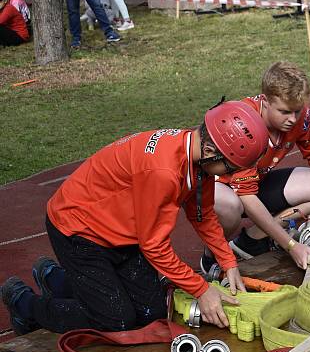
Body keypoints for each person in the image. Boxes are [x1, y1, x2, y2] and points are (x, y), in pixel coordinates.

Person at [0, 101, 269, 335]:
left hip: (121, 232)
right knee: (117, 320)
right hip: (79, 230)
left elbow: (203, 213)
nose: (228, 175)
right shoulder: (163, 171)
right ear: (212, 151)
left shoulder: (197, 156)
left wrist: (227, 261)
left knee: (151, 312)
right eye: (230, 168)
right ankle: (25, 304)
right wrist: (202, 290)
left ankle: (57, 280)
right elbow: (154, 245)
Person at [201, 62, 310, 273]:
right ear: (265, 101)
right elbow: (246, 196)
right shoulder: (244, 122)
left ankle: (252, 240)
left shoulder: (301, 118)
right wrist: (291, 245)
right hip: (220, 188)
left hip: (256, 182)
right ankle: (212, 253)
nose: (292, 119)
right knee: (231, 206)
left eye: (297, 111)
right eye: (285, 112)